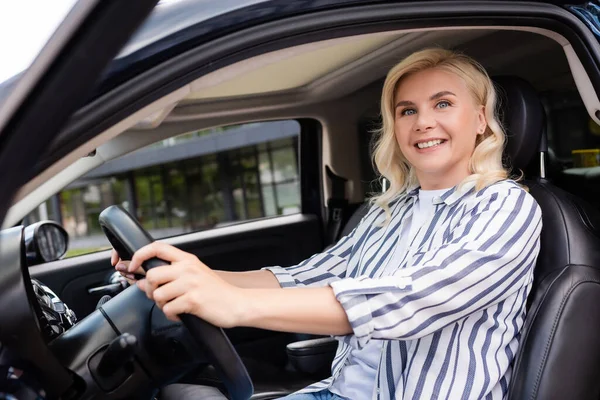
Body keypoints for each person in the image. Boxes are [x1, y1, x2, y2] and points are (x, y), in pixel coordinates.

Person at [112, 48, 542, 399]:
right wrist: (191, 277)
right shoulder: (391, 210)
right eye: (407, 110)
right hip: (340, 392)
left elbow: (411, 300)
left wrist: (237, 306)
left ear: (482, 119)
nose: (423, 122)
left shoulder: (506, 207)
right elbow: (307, 277)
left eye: (443, 104)